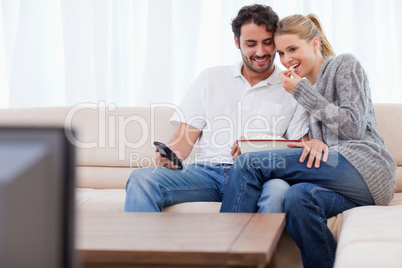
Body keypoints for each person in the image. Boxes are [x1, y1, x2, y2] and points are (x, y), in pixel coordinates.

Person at [220, 14, 396, 268]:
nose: (286, 59)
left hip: (367, 166)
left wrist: (301, 91)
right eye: (281, 53)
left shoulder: (344, 65)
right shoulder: (306, 88)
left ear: (315, 44)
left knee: (249, 164)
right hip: (342, 178)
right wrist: (309, 143)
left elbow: (352, 128)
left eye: (293, 49)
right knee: (298, 198)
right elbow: (323, 145)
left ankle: (223, 258)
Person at [124, 4, 308, 213]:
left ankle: (254, 247)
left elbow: (298, 150)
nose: (260, 52)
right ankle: (142, 246)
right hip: (208, 173)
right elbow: (184, 140)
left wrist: (259, 153)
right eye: (251, 44)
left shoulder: (292, 88)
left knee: (278, 190)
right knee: (142, 178)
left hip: (261, 176)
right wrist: (171, 156)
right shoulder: (211, 78)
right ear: (237, 42)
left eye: (267, 43)